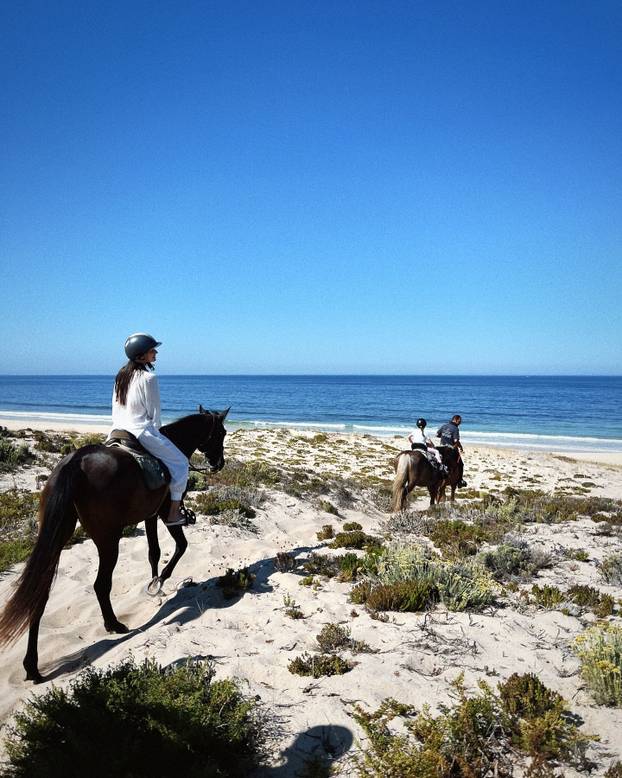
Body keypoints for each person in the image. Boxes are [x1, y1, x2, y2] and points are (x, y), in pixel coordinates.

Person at [110, 333, 189, 526]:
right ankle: (172, 514)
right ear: (141, 356)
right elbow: (155, 415)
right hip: (140, 431)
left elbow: (116, 407)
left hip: (116, 430)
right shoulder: (149, 378)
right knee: (181, 463)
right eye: (152, 350)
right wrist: (159, 433)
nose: (156, 352)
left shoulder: (121, 375)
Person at [436, 414, 467, 487]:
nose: (460, 423)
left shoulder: (444, 426)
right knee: (461, 464)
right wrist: (460, 447)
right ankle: (460, 480)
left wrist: (445, 436)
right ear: (456, 420)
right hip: (450, 449)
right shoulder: (455, 428)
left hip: (441, 448)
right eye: (459, 421)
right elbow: (456, 440)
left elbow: (437, 434)